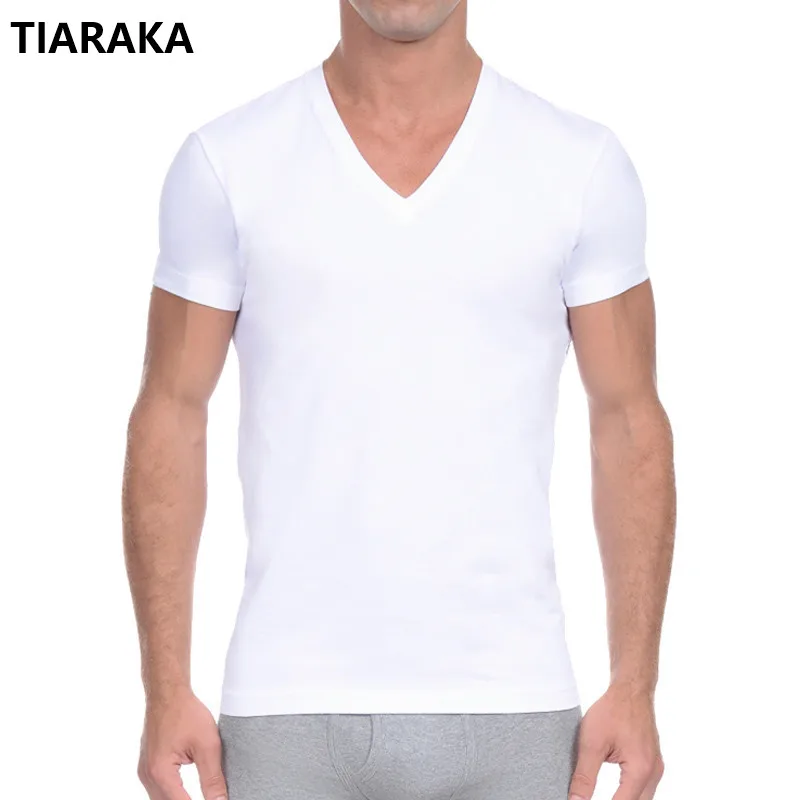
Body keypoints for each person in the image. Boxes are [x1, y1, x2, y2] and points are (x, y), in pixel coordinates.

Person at [122, 1, 676, 799]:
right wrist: (164, 687)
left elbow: (627, 421)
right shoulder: (227, 163)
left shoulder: (579, 165)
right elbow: (171, 411)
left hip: (515, 706)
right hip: (287, 709)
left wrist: (636, 683)